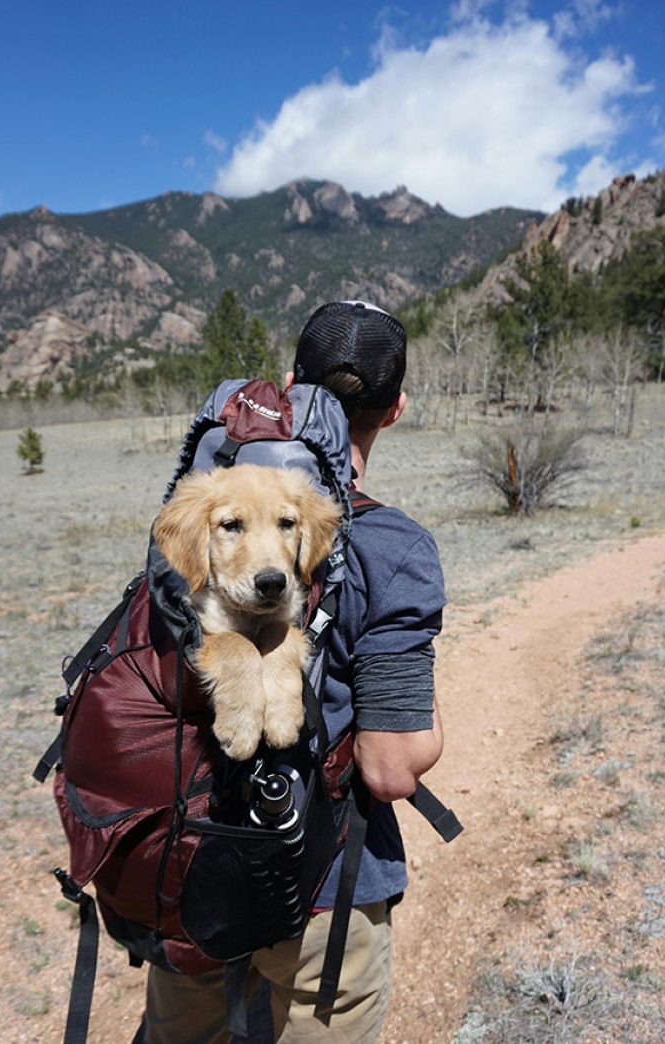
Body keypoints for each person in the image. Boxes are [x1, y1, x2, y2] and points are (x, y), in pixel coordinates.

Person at [145, 300, 446, 1043]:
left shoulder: (204, 515)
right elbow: (389, 766)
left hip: (188, 862)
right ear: (397, 407)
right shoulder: (396, 548)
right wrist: (431, 722)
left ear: (290, 389)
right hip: (318, 892)